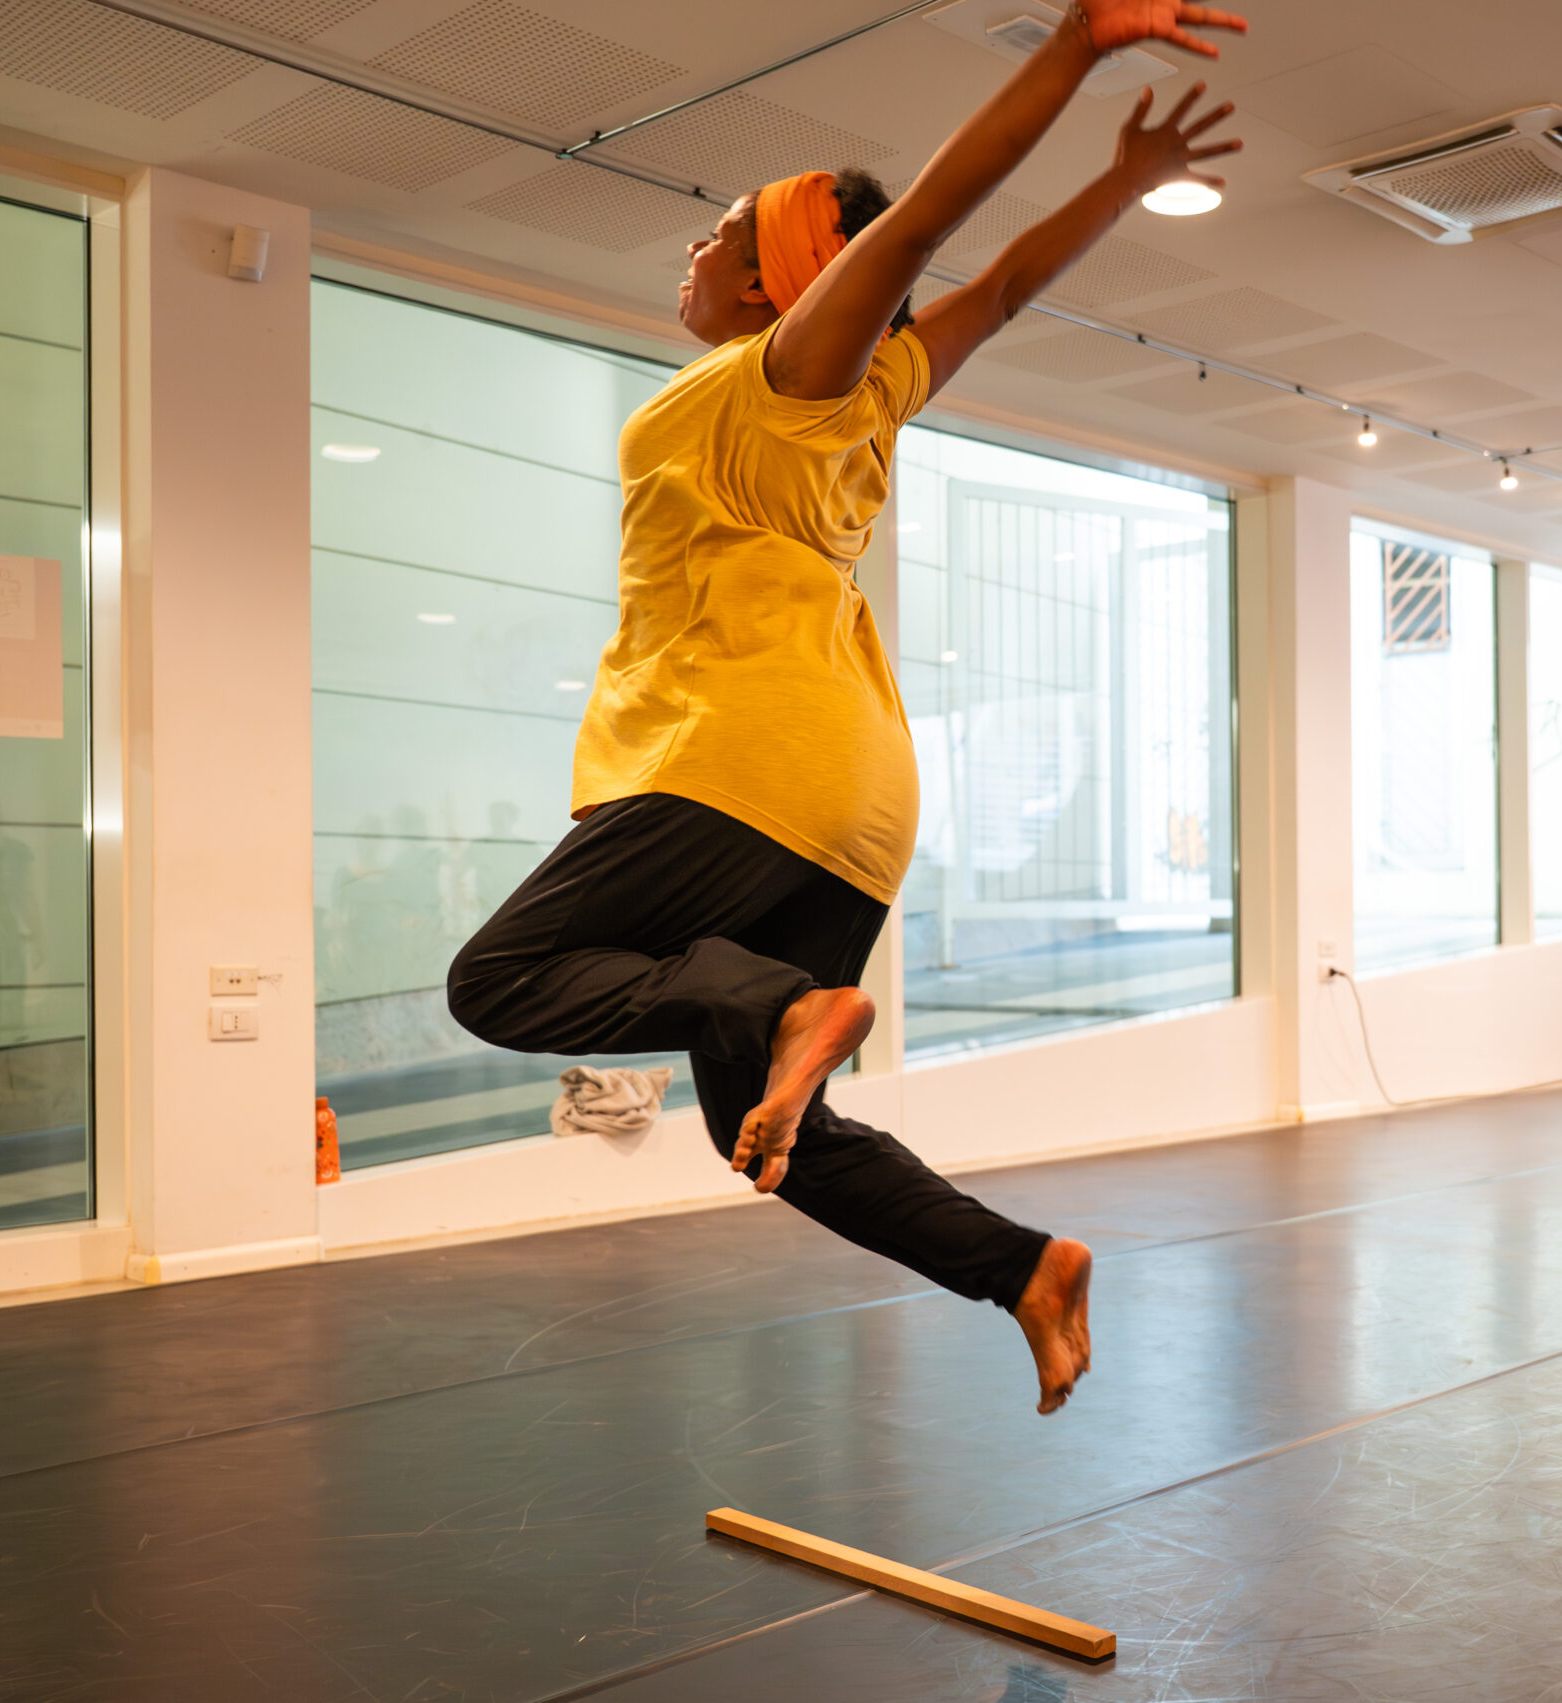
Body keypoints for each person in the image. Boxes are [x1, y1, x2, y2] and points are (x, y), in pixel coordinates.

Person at [446, 0, 1246, 1416]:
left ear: (782, 282)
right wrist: (1120, 181)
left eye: (718, 236)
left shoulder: (791, 377)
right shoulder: (873, 389)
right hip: (855, 797)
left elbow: (932, 224)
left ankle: (787, 1002)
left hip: (737, 757)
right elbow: (1005, 286)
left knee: (500, 978)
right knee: (773, 1129)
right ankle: (1027, 1267)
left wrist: (1071, 47)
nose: (693, 251)